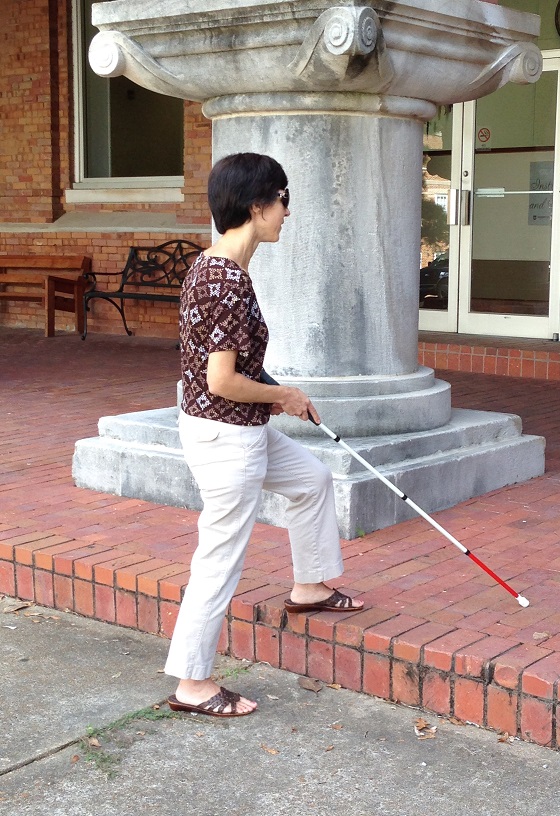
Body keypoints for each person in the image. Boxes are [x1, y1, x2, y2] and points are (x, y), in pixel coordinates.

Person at [164, 152, 364, 718]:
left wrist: (282, 391)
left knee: (311, 479)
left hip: (232, 430)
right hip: (228, 441)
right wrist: (282, 397)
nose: (287, 212)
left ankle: (310, 589)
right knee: (219, 559)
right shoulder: (225, 282)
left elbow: (231, 367)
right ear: (257, 207)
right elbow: (222, 379)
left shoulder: (213, 267)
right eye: (282, 200)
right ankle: (194, 684)